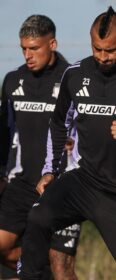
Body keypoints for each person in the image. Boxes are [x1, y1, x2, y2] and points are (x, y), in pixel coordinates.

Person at [18, 6, 116, 280]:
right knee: (38, 218)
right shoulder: (76, 74)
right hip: (83, 180)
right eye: (97, 49)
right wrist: (49, 170)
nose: (103, 57)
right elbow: (58, 124)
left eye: (111, 51)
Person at [0, 15, 81, 279]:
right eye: (23, 48)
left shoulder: (73, 80)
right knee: (3, 248)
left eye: (34, 48)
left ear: (53, 44)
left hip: (61, 187)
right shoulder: (12, 82)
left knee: (62, 266)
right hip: (22, 184)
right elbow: (4, 132)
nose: (28, 54)